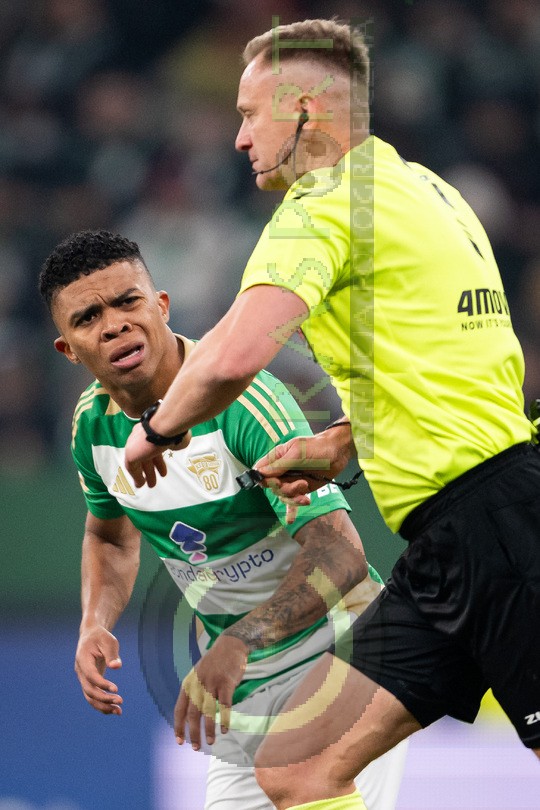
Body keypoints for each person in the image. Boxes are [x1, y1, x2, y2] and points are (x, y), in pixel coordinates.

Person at [122, 16, 540, 810]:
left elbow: (232, 355)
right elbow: (460, 368)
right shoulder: (434, 194)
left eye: (251, 115)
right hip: (452, 541)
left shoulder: (324, 206)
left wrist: (157, 428)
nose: (240, 137)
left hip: (502, 533)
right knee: (297, 768)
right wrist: (343, 443)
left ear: (306, 111)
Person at [38, 229, 408, 810]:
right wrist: (94, 622)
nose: (113, 326)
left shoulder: (243, 400)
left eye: (127, 302)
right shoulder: (92, 426)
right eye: (88, 318)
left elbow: (341, 556)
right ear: (69, 348)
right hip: (246, 681)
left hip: (347, 654)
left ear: (161, 306)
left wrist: (238, 641)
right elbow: (109, 537)